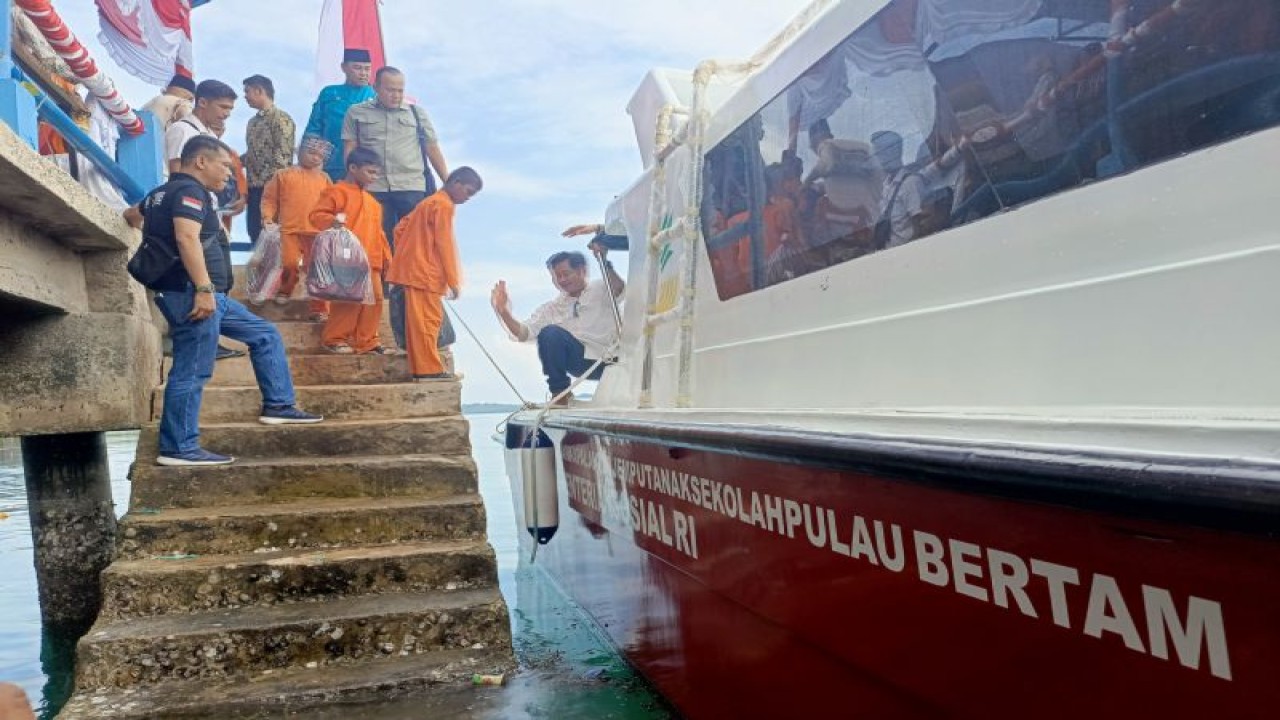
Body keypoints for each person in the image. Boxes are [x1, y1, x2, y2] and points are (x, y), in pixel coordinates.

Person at [124, 136, 323, 466]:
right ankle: (179, 448)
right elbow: (186, 237)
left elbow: (132, 215)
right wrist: (202, 289)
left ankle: (279, 405)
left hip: (205, 294)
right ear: (201, 162)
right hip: (193, 294)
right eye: (225, 167)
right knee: (192, 370)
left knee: (265, 335)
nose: (230, 175)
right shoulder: (191, 192)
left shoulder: (159, 194)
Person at [343, 66, 452, 353]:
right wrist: (351, 185)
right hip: (374, 188)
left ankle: (410, 294)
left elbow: (432, 148)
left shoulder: (416, 113)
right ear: (376, 87)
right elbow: (351, 150)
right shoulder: (357, 113)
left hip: (411, 186)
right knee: (376, 247)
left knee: (414, 248)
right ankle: (383, 295)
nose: (396, 94)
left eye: (400, 89)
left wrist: (448, 182)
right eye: (390, 89)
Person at [491, 249, 625, 405]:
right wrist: (504, 312)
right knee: (549, 333)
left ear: (582, 270)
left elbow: (619, 287)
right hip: (581, 361)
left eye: (566, 274)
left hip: (613, 359)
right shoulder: (552, 308)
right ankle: (560, 394)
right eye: (556, 276)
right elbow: (524, 333)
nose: (562, 280)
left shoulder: (602, 287)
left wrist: (604, 261)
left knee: (552, 333)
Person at [387, 167, 483, 380]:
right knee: (427, 322)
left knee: (421, 321)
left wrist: (409, 252)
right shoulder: (443, 205)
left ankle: (424, 368)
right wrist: (453, 279)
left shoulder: (428, 202)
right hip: (425, 272)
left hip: (415, 269)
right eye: (468, 192)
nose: (468, 198)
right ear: (456, 182)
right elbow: (444, 243)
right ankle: (427, 369)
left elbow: (399, 229)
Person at [308, 148, 394, 355]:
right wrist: (333, 221)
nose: (374, 178)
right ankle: (334, 339)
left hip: (371, 259)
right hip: (346, 258)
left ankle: (367, 341)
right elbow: (316, 215)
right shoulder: (337, 191)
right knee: (348, 300)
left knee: (375, 300)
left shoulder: (373, 203)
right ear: (353, 168)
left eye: (376, 173)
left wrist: (388, 259)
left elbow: (380, 233)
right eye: (370, 172)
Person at [261, 135, 334, 315]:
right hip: (290, 230)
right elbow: (269, 199)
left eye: (319, 155)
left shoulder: (325, 178)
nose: (315, 158)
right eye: (311, 152)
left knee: (318, 270)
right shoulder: (282, 175)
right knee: (290, 264)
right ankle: (285, 290)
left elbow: (333, 203)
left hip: (317, 233)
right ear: (298, 151)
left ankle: (319, 309)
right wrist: (267, 217)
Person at [304, 48, 376, 182]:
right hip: (329, 165)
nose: (363, 73)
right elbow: (314, 128)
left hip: (363, 168)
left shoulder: (375, 96)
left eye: (367, 69)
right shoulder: (329, 93)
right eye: (357, 68)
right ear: (344, 67)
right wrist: (308, 159)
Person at [242, 74, 296, 246]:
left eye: (247, 91)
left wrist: (274, 187)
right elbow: (253, 153)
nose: (245, 96)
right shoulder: (252, 122)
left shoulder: (281, 118)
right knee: (254, 232)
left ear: (259, 91)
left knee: (271, 237)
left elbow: (283, 155)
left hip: (272, 189)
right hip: (253, 187)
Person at [165, 79, 236, 175]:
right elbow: (176, 175)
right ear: (202, 102)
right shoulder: (182, 130)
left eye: (230, 109)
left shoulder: (211, 135)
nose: (227, 114)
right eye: (223, 107)